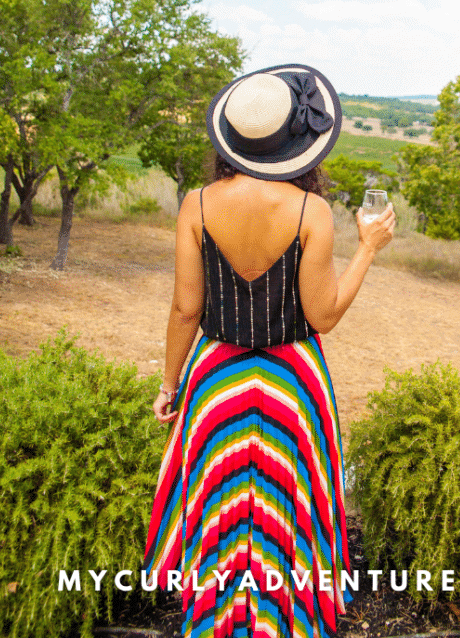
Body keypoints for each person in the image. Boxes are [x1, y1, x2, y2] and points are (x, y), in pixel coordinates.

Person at [144, 63, 395, 638]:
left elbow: (185, 309)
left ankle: (216, 619)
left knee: (221, 510)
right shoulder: (312, 212)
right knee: (290, 510)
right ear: (299, 147)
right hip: (292, 385)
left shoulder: (196, 204)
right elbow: (324, 316)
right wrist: (369, 249)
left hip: (214, 382)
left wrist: (169, 383)